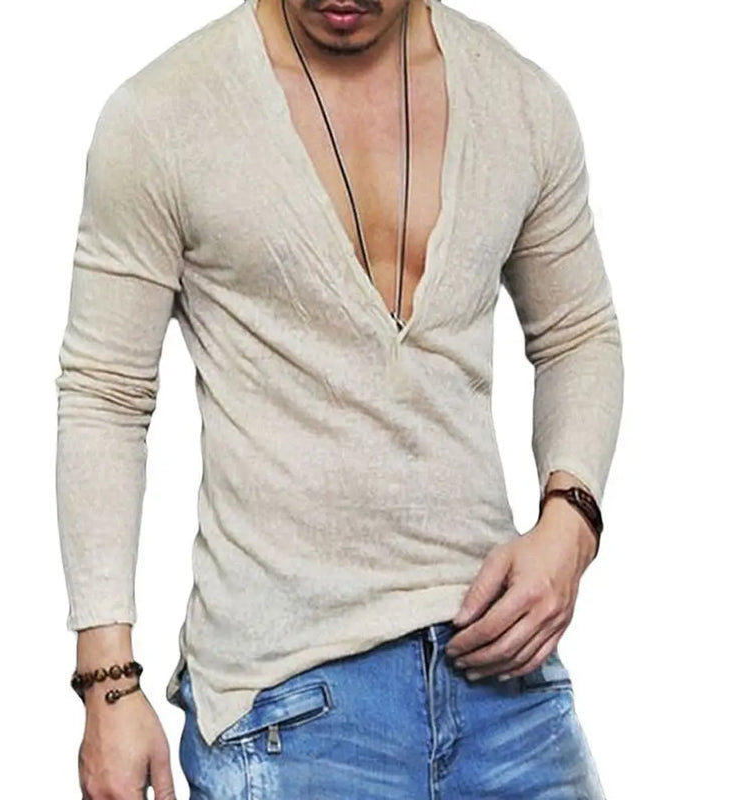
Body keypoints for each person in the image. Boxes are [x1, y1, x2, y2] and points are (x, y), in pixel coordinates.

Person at [55, 0, 623, 797]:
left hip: (508, 685)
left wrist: (571, 522)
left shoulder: (519, 101)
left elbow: (577, 333)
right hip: (285, 704)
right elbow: (104, 395)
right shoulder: (166, 115)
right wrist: (108, 682)